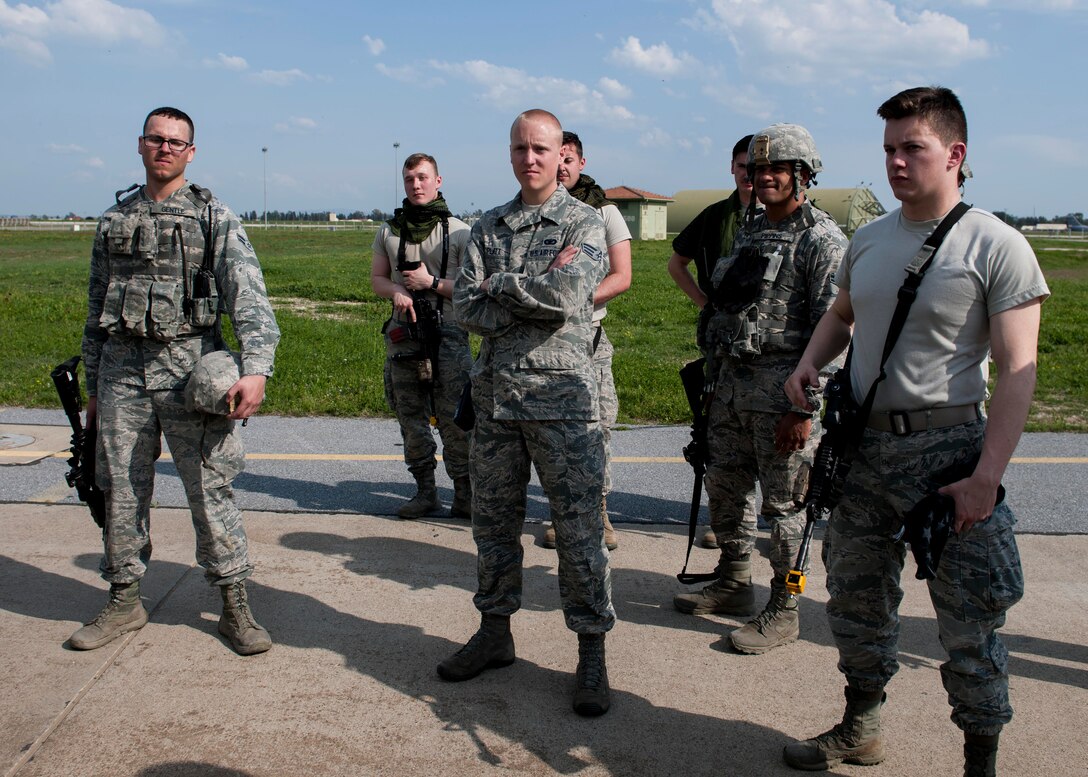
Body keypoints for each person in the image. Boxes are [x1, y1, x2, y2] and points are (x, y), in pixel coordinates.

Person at [782, 87, 1048, 776]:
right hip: (862, 452)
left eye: (912, 148)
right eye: (889, 150)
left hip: (949, 455)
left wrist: (987, 475)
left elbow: (1019, 367)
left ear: (955, 154)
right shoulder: (867, 240)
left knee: (969, 622)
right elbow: (842, 314)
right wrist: (811, 362)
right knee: (857, 597)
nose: (896, 162)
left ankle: (979, 761)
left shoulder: (996, 244)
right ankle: (860, 724)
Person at [72, 106, 280, 656]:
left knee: (210, 489)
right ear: (140, 145)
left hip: (191, 371)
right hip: (121, 373)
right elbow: (96, 307)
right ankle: (123, 598)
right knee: (120, 488)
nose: (164, 148)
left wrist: (256, 368)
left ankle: (234, 602)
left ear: (191, 152)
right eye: (155, 139)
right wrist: (92, 386)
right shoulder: (113, 219)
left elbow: (249, 297)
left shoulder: (214, 216)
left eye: (175, 141)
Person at [440, 109, 615, 717]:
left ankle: (590, 651)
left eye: (541, 148)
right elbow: (466, 306)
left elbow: (571, 297)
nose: (531, 158)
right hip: (494, 405)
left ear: (559, 150)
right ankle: (495, 632)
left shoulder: (585, 222)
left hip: (563, 406)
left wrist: (502, 287)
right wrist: (529, 287)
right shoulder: (487, 226)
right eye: (521, 148)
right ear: (510, 153)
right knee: (492, 528)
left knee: (578, 534)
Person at [673, 125, 847, 657]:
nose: (762, 177)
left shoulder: (822, 239)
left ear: (804, 175)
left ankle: (787, 608)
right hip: (729, 389)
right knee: (725, 490)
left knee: (788, 510)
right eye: (755, 169)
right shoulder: (749, 231)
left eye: (776, 169)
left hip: (783, 400)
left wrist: (805, 410)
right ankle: (734, 580)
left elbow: (837, 331)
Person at [541, 130, 632, 551]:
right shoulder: (535, 211)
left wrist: (574, 300)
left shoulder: (605, 212)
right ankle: (561, 512)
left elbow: (622, 276)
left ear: (581, 162)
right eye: (555, 156)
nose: (561, 166)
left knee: (598, 428)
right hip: (544, 339)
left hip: (589, 336)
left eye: (569, 158)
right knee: (553, 431)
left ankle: (598, 511)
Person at [371, 153, 473, 519]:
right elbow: (378, 279)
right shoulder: (389, 231)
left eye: (423, 177)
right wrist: (396, 291)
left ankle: (464, 494)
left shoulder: (460, 231)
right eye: (410, 179)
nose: (416, 185)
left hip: (449, 334)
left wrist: (432, 283)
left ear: (438, 180)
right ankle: (425, 491)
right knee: (411, 417)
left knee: (455, 420)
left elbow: (473, 287)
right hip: (405, 335)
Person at [668, 135, 757, 549]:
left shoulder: (791, 218)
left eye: (756, 166)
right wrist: (704, 303)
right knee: (720, 432)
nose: (749, 174)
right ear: (733, 168)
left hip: (769, 349)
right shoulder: (715, 216)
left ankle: (769, 525)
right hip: (720, 345)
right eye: (742, 165)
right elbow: (676, 263)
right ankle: (728, 523)